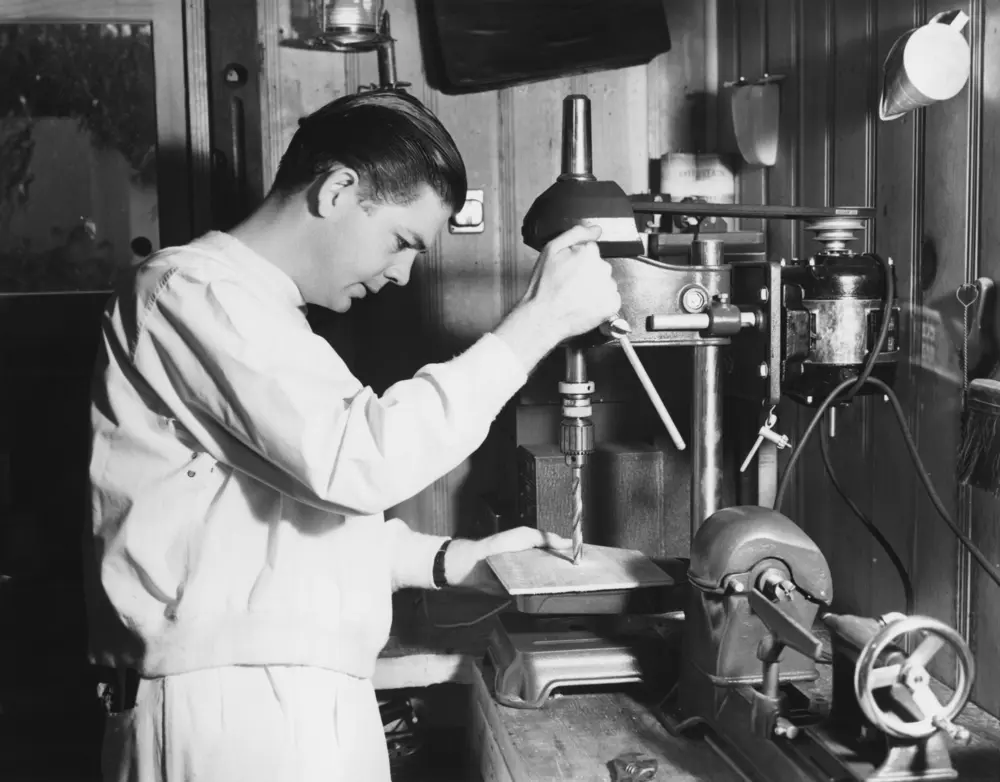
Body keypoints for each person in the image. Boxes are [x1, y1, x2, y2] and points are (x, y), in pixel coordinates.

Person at [88, 89, 620, 782]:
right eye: (401, 242)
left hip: (277, 702)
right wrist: (538, 321)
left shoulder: (266, 316)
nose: (401, 274)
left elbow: (285, 521)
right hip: (229, 718)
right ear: (338, 190)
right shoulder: (189, 292)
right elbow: (358, 462)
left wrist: (450, 560)